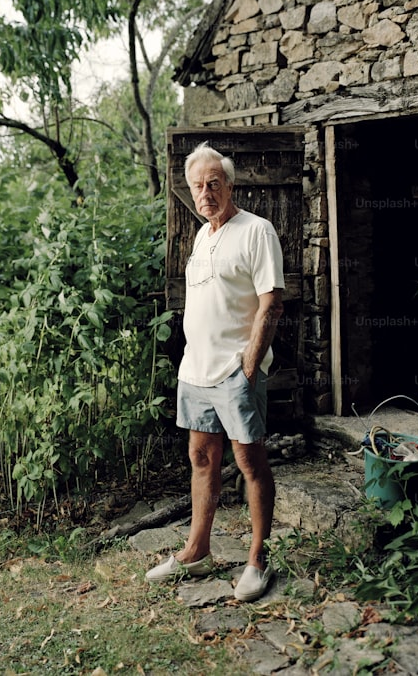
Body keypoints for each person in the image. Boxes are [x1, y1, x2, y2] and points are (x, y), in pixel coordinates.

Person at [146, 142, 284, 602]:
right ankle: (196, 551)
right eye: (197, 186)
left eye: (213, 184)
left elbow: (271, 301)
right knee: (202, 459)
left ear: (229, 184)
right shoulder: (202, 236)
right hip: (196, 370)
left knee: (249, 461)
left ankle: (257, 560)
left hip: (234, 371)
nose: (205, 193)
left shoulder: (257, 231)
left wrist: (250, 363)